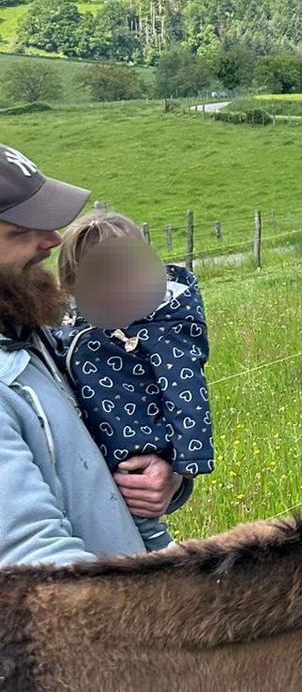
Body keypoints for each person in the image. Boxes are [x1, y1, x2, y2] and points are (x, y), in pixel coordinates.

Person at [0, 144, 179, 692]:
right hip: (52, 653)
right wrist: (160, 620)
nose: (49, 240)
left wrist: (158, 483)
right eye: (25, 228)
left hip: (85, 631)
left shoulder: (21, 329)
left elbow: (81, 454)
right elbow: (30, 547)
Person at [54, 213, 214, 550]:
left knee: (138, 522)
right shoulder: (76, 320)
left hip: (131, 449)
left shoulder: (160, 327)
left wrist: (184, 467)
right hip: (97, 452)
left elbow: (186, 393)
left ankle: (163, 555)